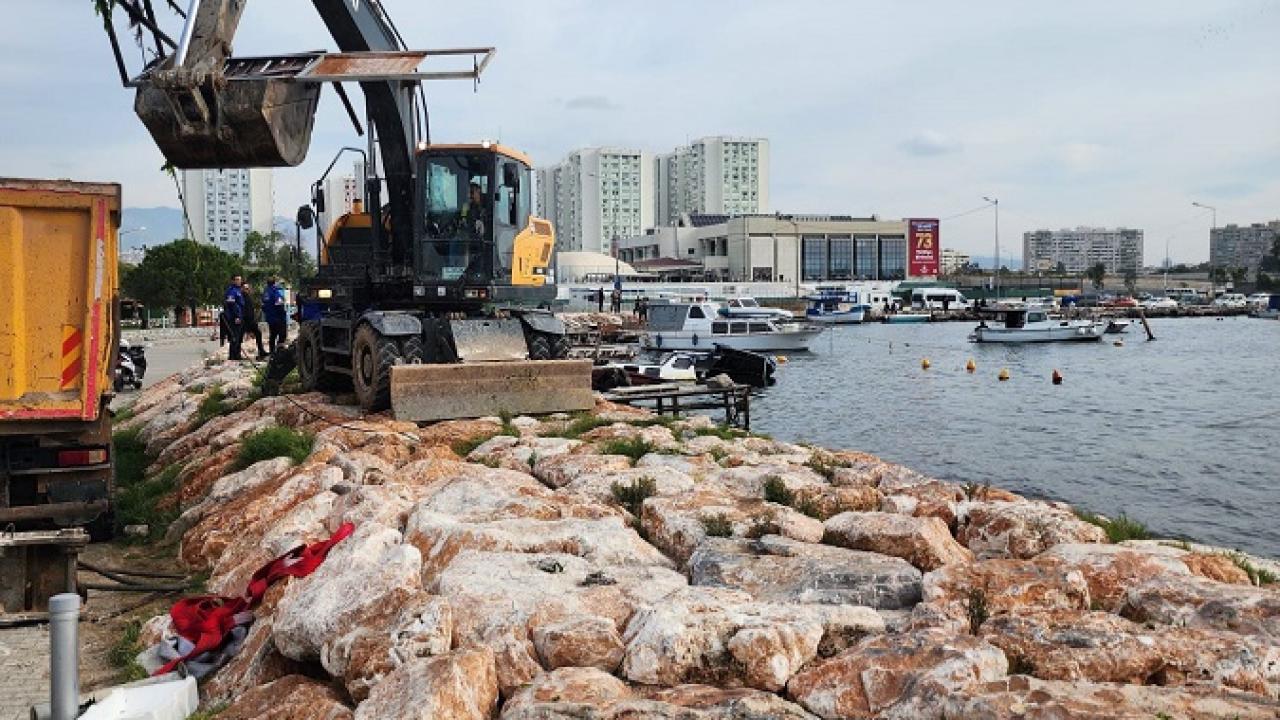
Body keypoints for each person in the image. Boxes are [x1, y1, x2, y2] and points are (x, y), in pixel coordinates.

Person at [262, 276, 288, 355]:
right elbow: (279, 304)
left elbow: (263, 306)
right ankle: (279, 352)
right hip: (279, 318)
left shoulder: (265, 293)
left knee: (272, 335)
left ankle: (272, 352)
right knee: (282, 335)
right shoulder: (276, 292)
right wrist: (283, 313)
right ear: (275, 283)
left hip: (270, 318)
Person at [241, 281, 267, 357]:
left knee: (258, 333)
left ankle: (261, 351)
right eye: (245, 288)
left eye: (248, 288)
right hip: (244, 320)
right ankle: (235, 354)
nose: (247, 290)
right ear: (242, 289)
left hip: (251, 320)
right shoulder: (241, 297)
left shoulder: (248, 297)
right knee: (239, 338)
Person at [223, 274, 245, 361]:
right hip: (234, 317)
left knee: (238, 337)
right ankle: (233, 356)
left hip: (239, 315)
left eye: (240, 279)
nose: (239, 281)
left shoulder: (238, 290)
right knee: (234, 337)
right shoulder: (232, 291)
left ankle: (237, 355)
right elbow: (232, 305)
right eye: (237, 279)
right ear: (233, 281)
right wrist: (237, 316)